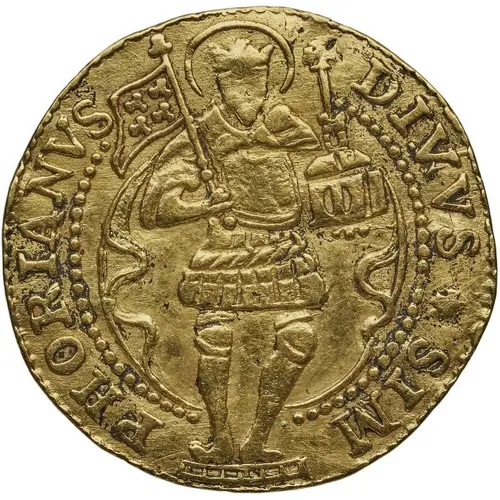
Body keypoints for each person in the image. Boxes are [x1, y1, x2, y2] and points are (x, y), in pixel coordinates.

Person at [140, 38, 327, 464]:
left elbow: (313, 150)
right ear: (219, 86)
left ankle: (258, 441)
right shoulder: (200, 133)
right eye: (237, 82)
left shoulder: (281, 122)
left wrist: (269, 140)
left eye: (256, 82)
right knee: (216, 338)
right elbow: (155, 208)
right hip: (227, 249)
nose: (248, 92)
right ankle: (220, 439)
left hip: (284, 247)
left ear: (268, 83)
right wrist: (205, 206)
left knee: (300, 338)